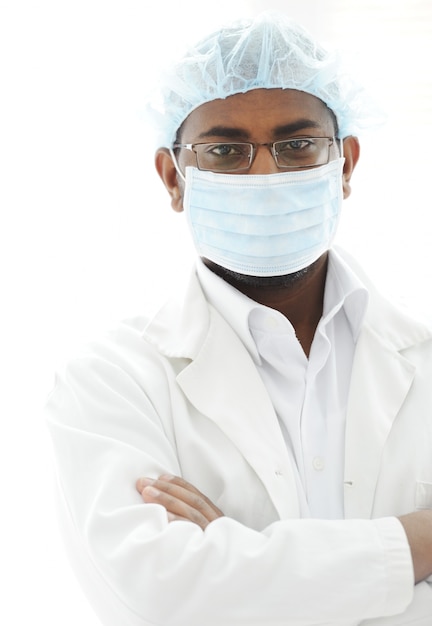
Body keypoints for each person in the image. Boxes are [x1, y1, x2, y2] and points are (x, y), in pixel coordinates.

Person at [46, 12, 432, 626]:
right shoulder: (110, 380)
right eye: (225, 151)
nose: (266, 177)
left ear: (347, 165)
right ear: (174, 179)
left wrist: (244, 567)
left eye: (298, 145)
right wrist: (420, 541)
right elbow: (164, 593)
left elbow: (211, 596)